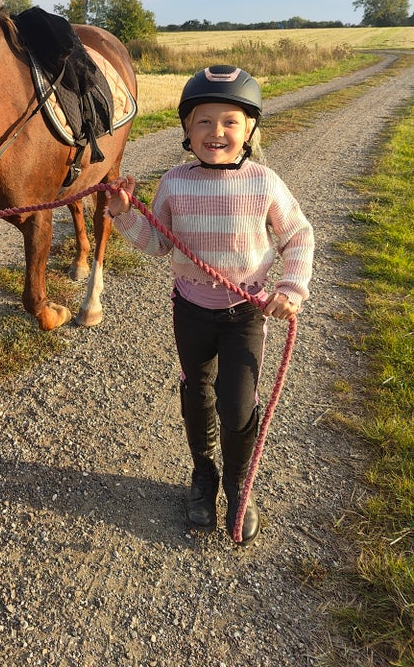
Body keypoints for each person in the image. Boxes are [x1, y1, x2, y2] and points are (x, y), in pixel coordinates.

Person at [105, 65, 314, 545]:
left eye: (229, 122)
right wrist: (121, 215)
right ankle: (204, 475)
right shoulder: (174, 184)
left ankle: (240, 483)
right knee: (196, 393)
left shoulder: (264, 182)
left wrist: (291, 287)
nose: (215, 132)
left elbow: (298, 235)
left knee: (238, 405)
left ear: (250, 130)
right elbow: (157, 243)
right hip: (191, 310)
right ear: (185, 128)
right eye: (202, 121)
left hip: (245, 316)